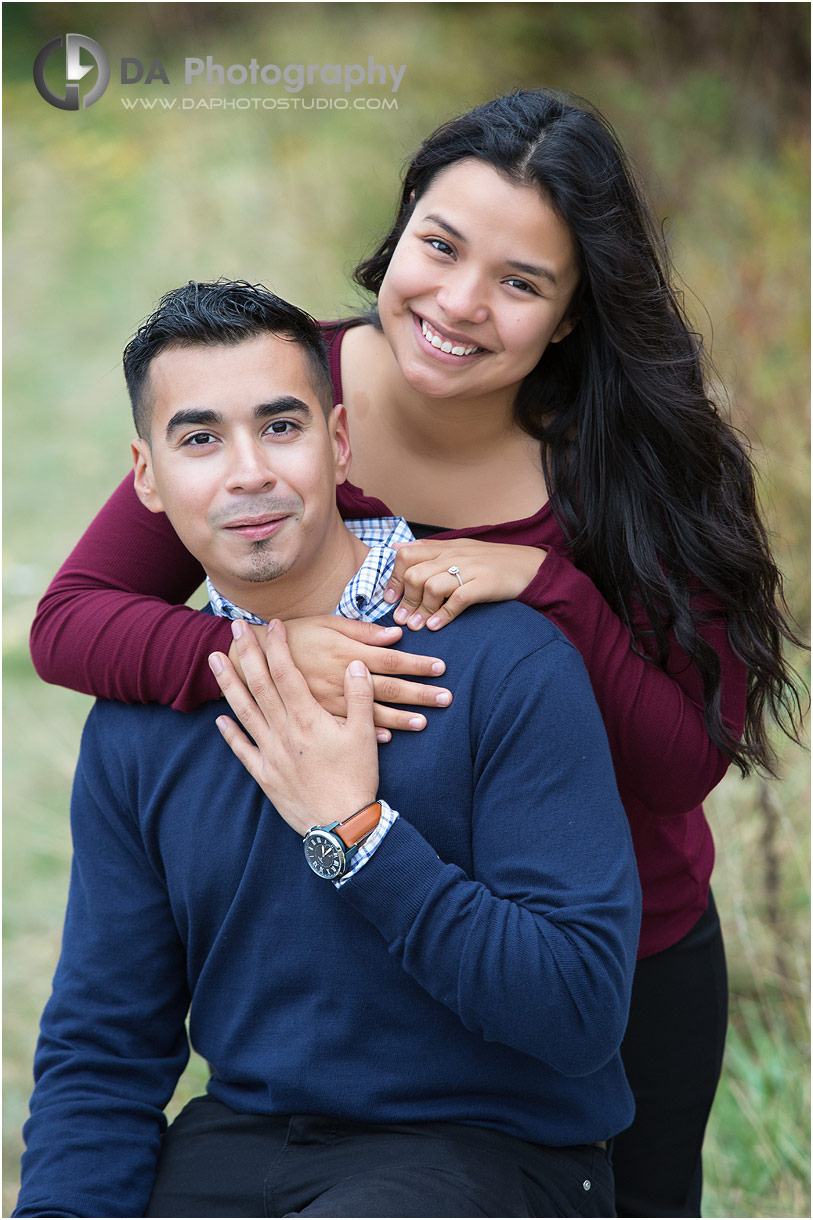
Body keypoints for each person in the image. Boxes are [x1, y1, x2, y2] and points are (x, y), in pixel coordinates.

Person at [28, 90, 803, 1217]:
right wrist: (277, 653)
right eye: (439, 246)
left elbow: (684, 760)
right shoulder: (279, 408)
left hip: (613, 952)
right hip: (355, 980)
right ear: (398, 237)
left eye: (521, 281)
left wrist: (554, 590)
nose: (458, 300)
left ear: (573, 314)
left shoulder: (635, 468)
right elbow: (72, 620)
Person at [15, 280, 640, 1219]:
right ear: (146, 478)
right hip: (245, 1146)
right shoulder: (139, 723)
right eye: (199, 440)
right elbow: (105, 1049)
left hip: (486, 1151)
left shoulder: (499, 660)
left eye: (280, 427)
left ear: (337, 443)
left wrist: (357, 834)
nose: (247, 474)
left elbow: (577, 1008)